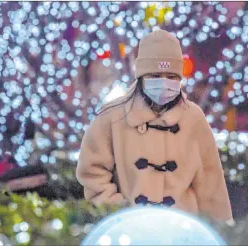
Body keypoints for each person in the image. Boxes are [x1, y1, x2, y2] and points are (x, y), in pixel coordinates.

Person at [76, 30, 233, 222]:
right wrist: (117, 210)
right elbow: (93, 173)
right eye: (156, 75)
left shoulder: (193, 118)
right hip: (129, 230)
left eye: (171, 76)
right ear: (141, 76)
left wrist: (221, 230)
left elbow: (211, 184)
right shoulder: (112, 117)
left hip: (182, 232)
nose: (164, 82)